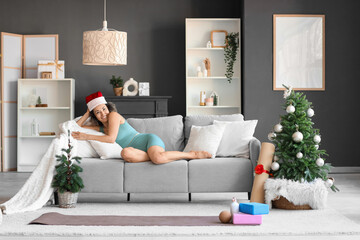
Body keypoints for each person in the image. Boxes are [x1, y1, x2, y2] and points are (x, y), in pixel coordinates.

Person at [72, 91, 211, 164]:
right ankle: (155, 156)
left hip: (147, 141)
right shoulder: (101, 128)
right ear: (94, 115)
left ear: (107, 107)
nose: (103, 113)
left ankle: (192, 154)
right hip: (134, 152)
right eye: (97, 112)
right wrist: (87, 112)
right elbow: (77, 126)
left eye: (103, 109)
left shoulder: (113, 115)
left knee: (158, 159)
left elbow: (110, 138)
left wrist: (85, 136)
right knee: (125, 153)